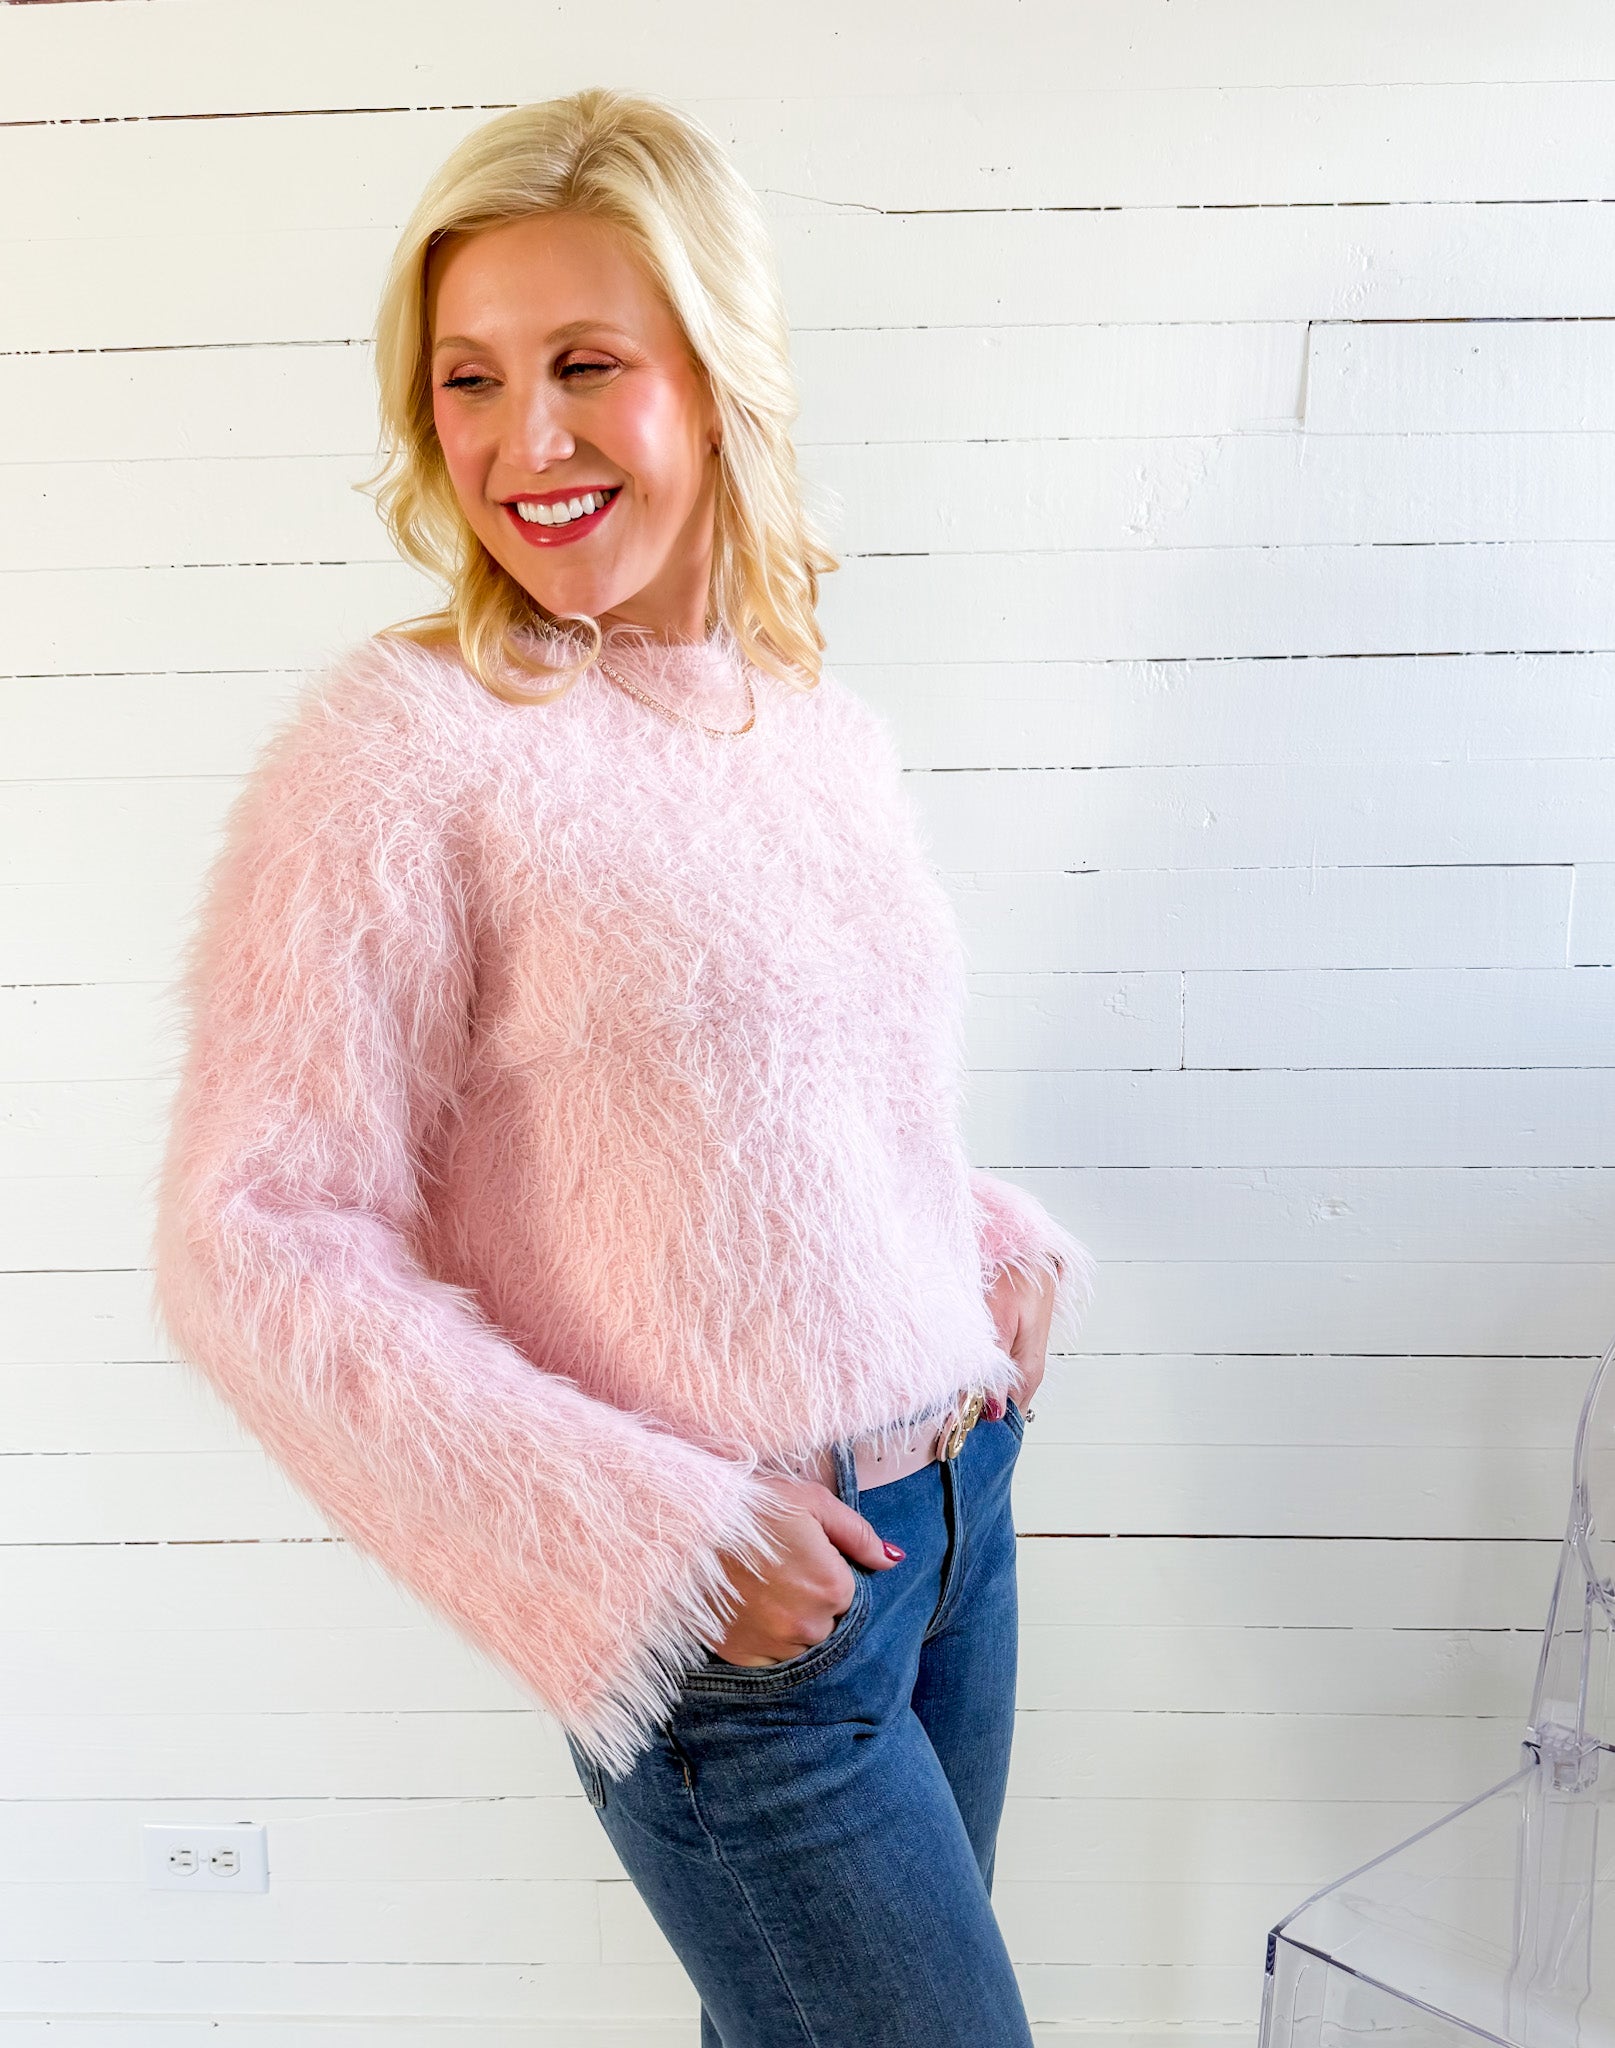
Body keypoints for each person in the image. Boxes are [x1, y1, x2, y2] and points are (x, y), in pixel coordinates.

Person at [151, 86, 1094, 2048]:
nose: (522, 440)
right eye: (470, 380)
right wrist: (642, 1537)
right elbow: (254, 1238)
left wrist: (970, 1260)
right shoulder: (409, 745)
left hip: (947, 1536)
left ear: (717, 373)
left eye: (585, 363)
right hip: (741, 1617)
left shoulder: (801, 722)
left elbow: (793, 1106)